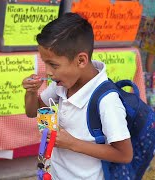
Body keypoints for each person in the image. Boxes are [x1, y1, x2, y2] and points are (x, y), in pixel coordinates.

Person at [22, 13, 133, 179]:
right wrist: (31, 92)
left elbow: (124, 155)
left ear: (81, 60)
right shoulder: (62, 84)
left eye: (53, 64)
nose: (48, 72)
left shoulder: (107, 101)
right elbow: (33, 112)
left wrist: (72, 143)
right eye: (45, 63)